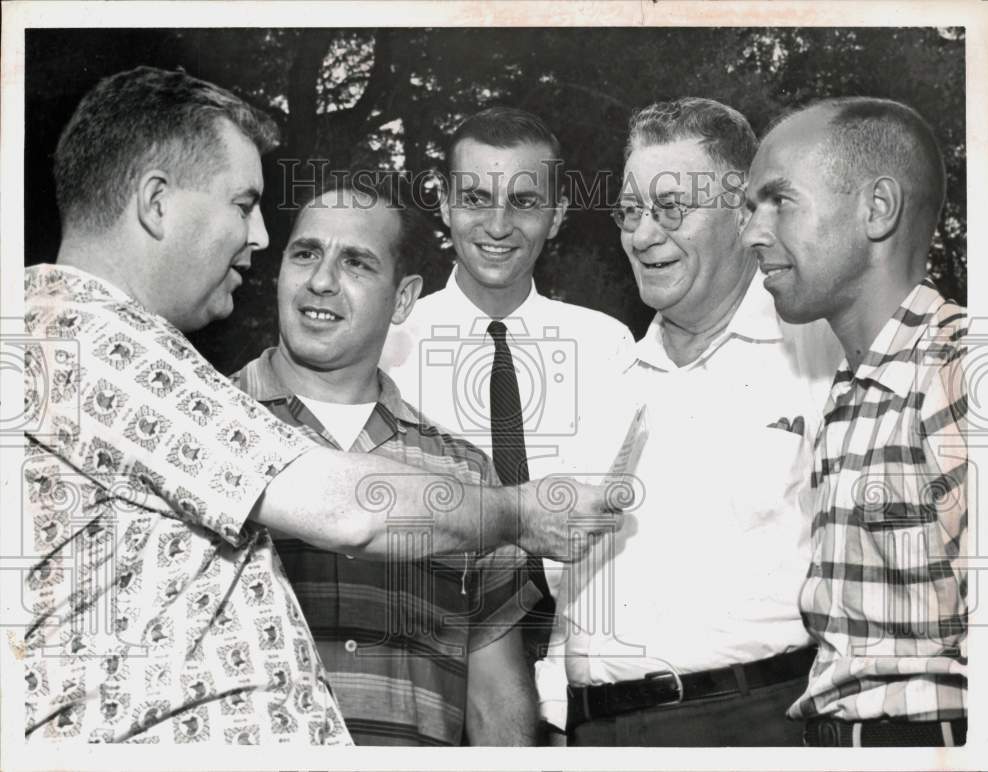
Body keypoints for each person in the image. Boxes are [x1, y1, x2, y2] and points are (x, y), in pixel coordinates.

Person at [21, 66, 621, 746]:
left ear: (401, 295)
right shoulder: (84, 338)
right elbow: (350, 508)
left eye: (358, 263)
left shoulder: (75, 340)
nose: (258, 239)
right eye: (243, 205)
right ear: (156, 203)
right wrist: (518, 511)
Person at [550, 97, 843, 746]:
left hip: (757, 723)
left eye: (671, 209)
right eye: (630, 212)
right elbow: (563, 602)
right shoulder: (604, 384)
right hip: (593, 733)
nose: (644, 235)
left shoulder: (825, 363)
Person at [230, 176, 542, 745]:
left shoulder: (467, 475)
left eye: (356, 263)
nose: (320, 282)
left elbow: (496, 697)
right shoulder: (207, 426)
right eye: (305, 254)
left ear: (403, 299)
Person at [743, 97, 968, 747]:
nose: (753, 233)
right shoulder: (852, 390)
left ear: (877, 210)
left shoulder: (960, 369)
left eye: (779, 200)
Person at [381, 107, 635, 679]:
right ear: (444, 204)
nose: (498, 225)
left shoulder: (605, 345)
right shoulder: (388, 347)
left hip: (576, 665)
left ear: (557, 213)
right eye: (474, 198)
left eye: (523, 202)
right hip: (430, 664)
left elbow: (610, 524)